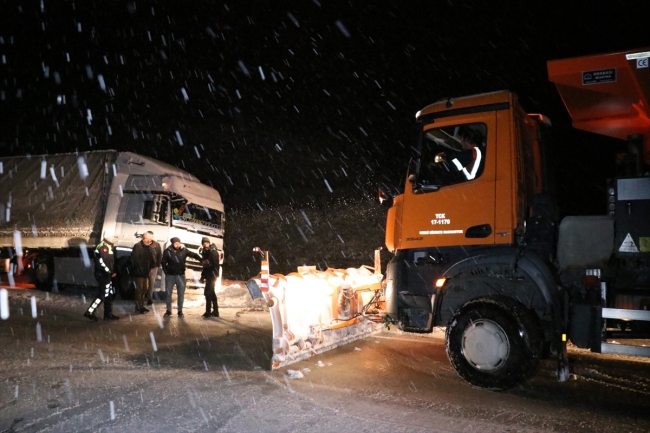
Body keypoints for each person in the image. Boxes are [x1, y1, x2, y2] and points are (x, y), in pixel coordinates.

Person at [161, 237, 202, 317]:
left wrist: (201, 259)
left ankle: (180, 311)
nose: (177, 245)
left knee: (181, 294)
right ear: (172, 244)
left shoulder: (184, 250)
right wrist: (166, 272)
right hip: (170, 276)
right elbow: (163, 262)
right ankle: (168, 311)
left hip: (181, 276)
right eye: (175, 243)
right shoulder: (167, 251)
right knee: (168, 293)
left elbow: (193, 255)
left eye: (178, 243)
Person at [84, 232, 119, 321]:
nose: (113, 238)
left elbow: (110, 262)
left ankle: (107, 314)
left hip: (106, 274)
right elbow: (102, 263)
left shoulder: (109, 246)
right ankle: (89, 312)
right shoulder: (103, 247)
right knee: (103, 295)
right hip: (103, 274)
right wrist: (110, 272)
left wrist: (112, 271)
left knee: (108, 294)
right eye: (112, 236)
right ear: (107, 237)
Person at [130, 232, 155, 314]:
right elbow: (135, 259)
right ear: (144, 238)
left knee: (145, 289)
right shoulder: (137, 246)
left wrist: (151, 267)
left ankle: (141, 305)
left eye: (151, 238)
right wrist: (139, 269)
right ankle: (138, 307)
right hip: (139, 273)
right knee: (139, 290)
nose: (150, 240)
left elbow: (152, 259)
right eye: (148, 238)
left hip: (145, 272)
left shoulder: (149, 247)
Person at [200, 237, 221, 318]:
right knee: (210, 293)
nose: (205, 245)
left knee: (209, 293)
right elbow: (205, 267)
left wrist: (207, 263)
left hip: (212, 275)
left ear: (209, 243)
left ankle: (209, 311)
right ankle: (215, 311)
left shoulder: (213, 252)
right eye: (204, 243)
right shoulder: (206, 252)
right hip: (209, 275)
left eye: (207, 243)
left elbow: (215, 265)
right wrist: (202, 276)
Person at [146, 230, 162, 306]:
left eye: (151, 236)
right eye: (149, 236)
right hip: (145, 267)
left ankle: (149, 298)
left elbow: (159, 255)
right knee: (144, 284)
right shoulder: (143, 244)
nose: (150, 238)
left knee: (151, 284)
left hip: (153, 267)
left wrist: (157, 265)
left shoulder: (157, 245)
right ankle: (143, 299)